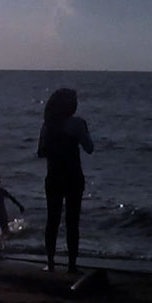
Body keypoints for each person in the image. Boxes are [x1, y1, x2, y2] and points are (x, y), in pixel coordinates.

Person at [38, 88, 93, 273]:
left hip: (53, 175)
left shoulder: (47, 126)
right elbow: (89, 148)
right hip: (73, 176)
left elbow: (41, 152)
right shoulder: (77, 124)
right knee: (72, 221)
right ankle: (72, 264)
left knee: (52, 220)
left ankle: (51, 262)